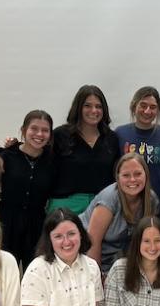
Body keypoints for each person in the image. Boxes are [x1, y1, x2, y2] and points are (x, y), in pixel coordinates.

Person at [80, 153, 159, 274]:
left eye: (137, 174)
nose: (132, 179)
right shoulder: (109, 199)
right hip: (88, 259)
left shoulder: (151, 200)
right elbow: (93, 242)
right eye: (126, 175)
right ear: (118, 177)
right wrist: (97, 277)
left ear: (146, 174)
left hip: (117, 262)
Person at [48, 84, 121, 215]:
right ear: (78, 107)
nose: (94, 110)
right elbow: (40, 164)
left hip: (101, 207)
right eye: (87, 105)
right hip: (65, 207)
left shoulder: (112, 139)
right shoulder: (60, 135)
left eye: (98, 106)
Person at [0, 110, 54, 271]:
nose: (39, 134)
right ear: (23, 130)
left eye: (45, 130)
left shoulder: (53, 160)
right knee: (5, 272)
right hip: (7, 222)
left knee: (35, 271)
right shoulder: (5, 155)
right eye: (34, 129)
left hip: (37, 225)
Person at [115, 86, 160, 224]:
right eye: (143, 105)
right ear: (134, 106)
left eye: (153, 107)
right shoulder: (120, 134)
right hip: (129, 214)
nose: (148, 111)